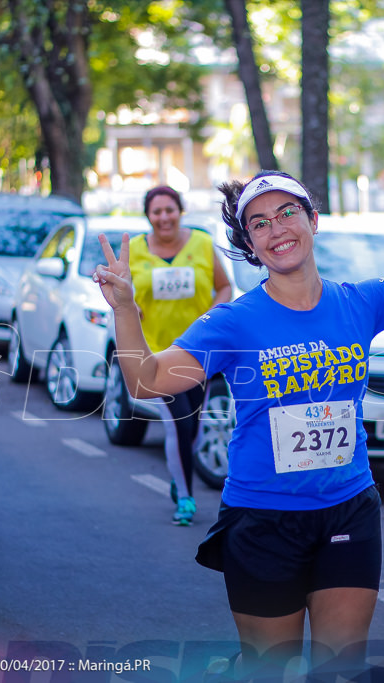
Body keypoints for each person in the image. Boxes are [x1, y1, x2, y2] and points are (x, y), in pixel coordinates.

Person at [93, 139, 384, 677]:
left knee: (340, 669)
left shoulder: (361, 301)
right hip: (262, 518)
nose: (277, 229)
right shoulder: (234, 321)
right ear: (251, 245)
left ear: (313, 220)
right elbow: (146, 380)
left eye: (287, 213)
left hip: (348, 509)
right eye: (259, 224)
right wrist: (127, 311)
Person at [128, 186, 232, 526]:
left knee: (195, 429)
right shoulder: (134, 250)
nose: (164, 218)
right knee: (179, 423)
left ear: (180, 211)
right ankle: (186, 499)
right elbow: (120, 295)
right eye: (156, 212)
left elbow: (224, 287)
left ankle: (178, 477)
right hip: (157, 355)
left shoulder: (202, 244)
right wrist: (130, 310)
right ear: (148, 216)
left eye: (169, 210)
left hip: (199, 353)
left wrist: (213, 318)